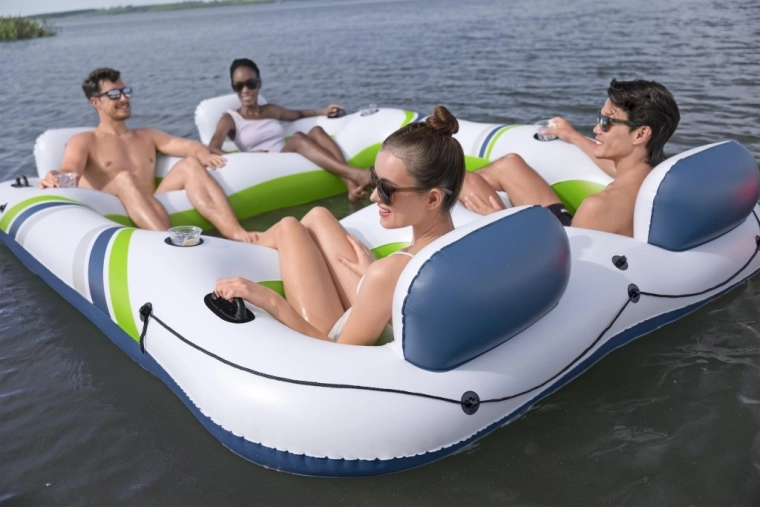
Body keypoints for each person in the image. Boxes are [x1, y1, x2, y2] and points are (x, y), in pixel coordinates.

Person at [214, 106, 465, 345]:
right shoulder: (464, 244)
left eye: (387, 189)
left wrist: (270, 300)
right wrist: (371, 274)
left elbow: (338, 355)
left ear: (432, 199)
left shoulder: (388, 273)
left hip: (331, 337)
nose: (374, 196)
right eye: (375, 180)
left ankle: (238, 244)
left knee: (289, 227)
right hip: (379, 312)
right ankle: (248, 241)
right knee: (318, 216)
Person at [39, 67, 258, 243]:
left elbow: (188, 146)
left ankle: (237, 233)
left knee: (191, 164)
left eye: (126, 92)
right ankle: (169, 242)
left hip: (152, 205)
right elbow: (70, 171)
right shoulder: (85, 140)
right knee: (125, 178)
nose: (124, 98)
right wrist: (54, 176)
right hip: (112, 207)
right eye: (114, 94)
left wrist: (203, 153)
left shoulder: (146, 136)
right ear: (96, 102)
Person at [460, 79, 680, 237]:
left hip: (561, 243)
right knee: (510, 164)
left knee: (467, 181)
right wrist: (572, 135)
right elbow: (616, 166)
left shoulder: (599, 206)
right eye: (599, 119)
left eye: (606, 122)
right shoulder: (654, 176)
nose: (596, 129)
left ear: (641, 134)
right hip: (573, 233)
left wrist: (500, 220)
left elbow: (562, 266)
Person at [208, 58, 371, 201]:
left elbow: (298, 114)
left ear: (259, 84)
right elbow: (213, 147)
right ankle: (356, 174)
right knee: (298, 138)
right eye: (238, 86)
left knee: (317, 130)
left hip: (285, 155)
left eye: (250, 84)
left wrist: (323, 111)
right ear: (234, 88)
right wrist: (246, 156)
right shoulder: (230, 118)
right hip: (262, 163)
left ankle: (351, 186)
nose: (245, 90)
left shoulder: (270, 109)